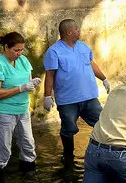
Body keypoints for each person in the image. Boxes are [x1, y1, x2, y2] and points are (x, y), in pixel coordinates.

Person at [42, 19, 111, 163]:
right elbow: (50, 75)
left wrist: (104, 79)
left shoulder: (83, 47)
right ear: (69, 32)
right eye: (77, 29)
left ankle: (105, 152)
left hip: (89, 97)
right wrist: (47, 96)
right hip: (68, 100)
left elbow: (92, 64)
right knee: (68, 129)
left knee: (103, 123)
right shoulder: (54, 51)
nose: (79, 31)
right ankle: (68, 156)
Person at [0, 32, 41, 181]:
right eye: (16, 50)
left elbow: (27, 80)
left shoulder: (23, 60)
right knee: (3, 148)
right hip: (4, 112)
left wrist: (32, 84)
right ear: (6, 47)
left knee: (28, 144)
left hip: (22, 109)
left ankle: (29, 175)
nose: (19, 53)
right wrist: (21, 88)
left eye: (21, 50)